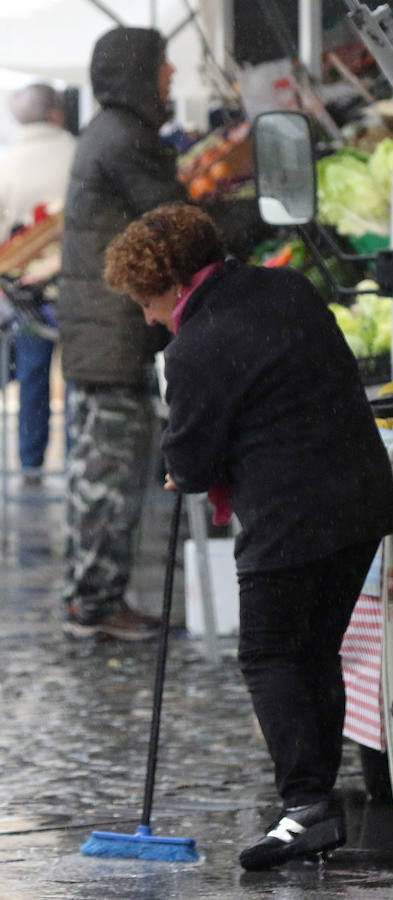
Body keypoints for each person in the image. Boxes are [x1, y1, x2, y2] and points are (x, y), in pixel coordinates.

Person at [103, 203, 393, 870]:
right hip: (358, 503)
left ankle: (306, 807)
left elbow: (194, 460)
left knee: (270, 656)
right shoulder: (287, 288)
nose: (148, 317)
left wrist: (178, 465)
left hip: (290, 519)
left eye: (147, 300)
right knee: (312, 652)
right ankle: (314, 804)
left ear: (175, 285)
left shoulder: (196, 346)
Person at [58, 27, 186, 641]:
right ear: (140, 71)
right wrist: (247, 215)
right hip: (111, 340)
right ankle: (95, 604)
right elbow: (175, 224)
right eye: (164, 65)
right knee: (108, 483)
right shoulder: (124, 137)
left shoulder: (109, 131)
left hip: (100, 338)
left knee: (98, 479)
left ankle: (93, 597)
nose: (172, 75)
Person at [0, 83, 75, 485]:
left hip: (24, 293)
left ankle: (30, 465)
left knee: (32, 374)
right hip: (79, 285)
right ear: (57, 112)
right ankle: (77, 457)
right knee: (79, 376)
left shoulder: (6, 163)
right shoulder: (78, 153)